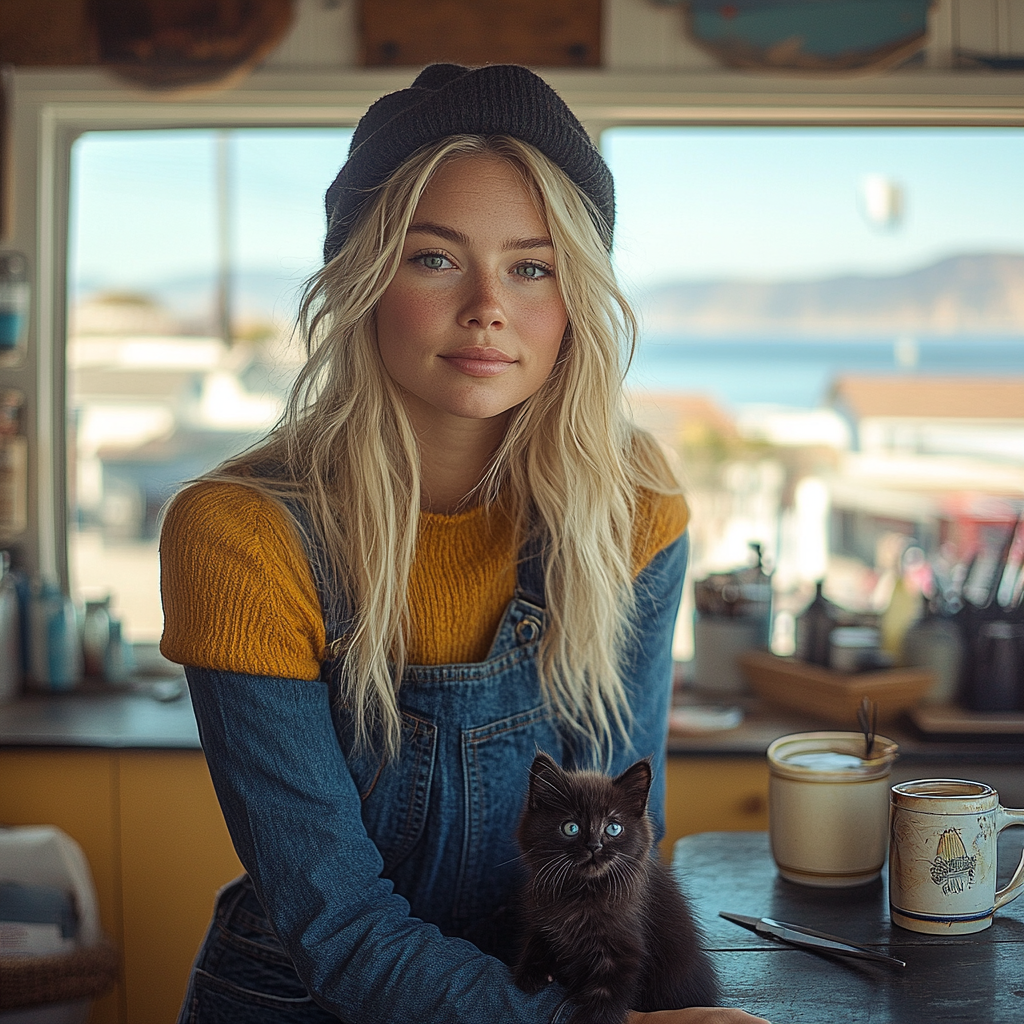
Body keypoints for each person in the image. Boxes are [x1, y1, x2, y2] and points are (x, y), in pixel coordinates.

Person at [160, 63, 768, 1024]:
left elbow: (620, 832)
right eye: (434, 257)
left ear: (576, 299)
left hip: (549, 983)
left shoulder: (631, 503)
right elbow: (342, 928)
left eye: (533, 266)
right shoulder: (239, 535)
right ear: (362, 278)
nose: (489, 305)